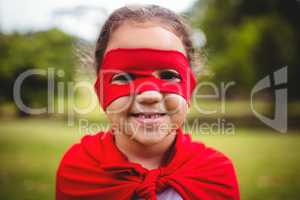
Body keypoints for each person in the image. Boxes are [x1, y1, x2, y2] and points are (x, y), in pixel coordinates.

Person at [56, 4, 240, 200]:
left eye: (169, 75)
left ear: (190, 89)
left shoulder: (215, 174)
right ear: (100, 89)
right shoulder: (80, 171)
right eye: (124, 77)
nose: (149, 95)